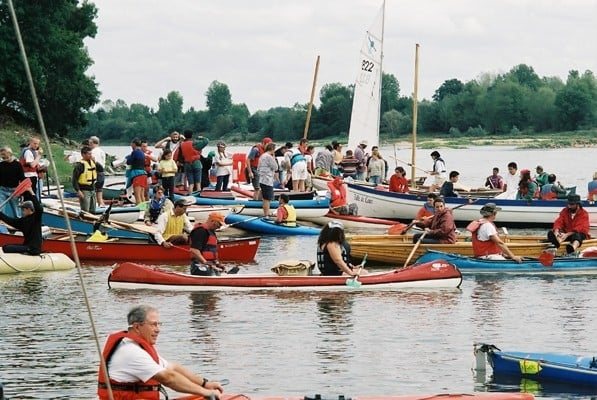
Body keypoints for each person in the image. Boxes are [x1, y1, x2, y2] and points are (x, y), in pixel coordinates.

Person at [97, 304, 224, 400]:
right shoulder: (130, 352)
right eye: (153, 325)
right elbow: (168, 378)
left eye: (159, 324)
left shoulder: (136, 347)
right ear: (137, 327)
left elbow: (173, 368)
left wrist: (205, 384)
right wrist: (205, 393)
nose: (158, 329)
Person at [0, 188, 42, 255]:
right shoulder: (23, 221)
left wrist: (31, 192)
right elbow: (10, 221)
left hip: (34, 248)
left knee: (6, 248)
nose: (22, 211)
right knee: (5, 247)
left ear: (28, 209)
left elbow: (38, 207)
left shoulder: (36, 217)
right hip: (26, 246)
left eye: (23, 209)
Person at [0, 146, 25, 217]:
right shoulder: (1, 165)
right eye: (1, 155)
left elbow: (22, 179)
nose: (2, 157)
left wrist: (22, 193)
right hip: (2, 190)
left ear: (9, 153)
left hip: (14, 191)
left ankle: (19, 225)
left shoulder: (18, 165)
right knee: (0, 209)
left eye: (4, 154)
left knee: (17, 212)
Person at [72, 146, 97, 213]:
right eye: (89, 154)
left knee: (93, 210)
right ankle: (84, 222)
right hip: (84, 190)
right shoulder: (80, 165)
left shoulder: (92, 163)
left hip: (92, 189)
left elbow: (101, 170)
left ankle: (92, 222)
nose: (90, 155)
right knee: (85, 210)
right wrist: (78, 191)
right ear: (83, 154)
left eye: (91, 154)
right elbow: (74, 179)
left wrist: (95, 162)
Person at [256, 142, 278, 216]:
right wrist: (274, 158)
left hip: (262, 179)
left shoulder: (262, 156)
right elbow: (276, 167)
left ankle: (257, 208)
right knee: (267, 199)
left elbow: (258, 168)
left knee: (262, 194)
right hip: (267, 179)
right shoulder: (269, 157)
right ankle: (266, 214)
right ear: (272, 149)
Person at [126, 138, 148, 204]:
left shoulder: (134, 152)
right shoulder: (142, 152)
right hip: (143, 174)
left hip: (137, 174)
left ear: (134, 144)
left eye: (131, 144)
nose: (131, 146)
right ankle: (144, 210)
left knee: (137, 195)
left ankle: (140, 210)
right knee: (142, 195)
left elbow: (129, 162)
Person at [89, 136, 107, 207]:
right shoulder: (102, 151)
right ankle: (101, 205)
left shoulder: (93, 152)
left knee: (93, 191)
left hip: (96, 173)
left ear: (92, 143)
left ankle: (94, 206)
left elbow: (94, 162)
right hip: (102, 173)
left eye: (90, 143)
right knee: (99, 191)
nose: (89, 145)